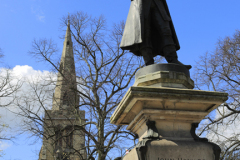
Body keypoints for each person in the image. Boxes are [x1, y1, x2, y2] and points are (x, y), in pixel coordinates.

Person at [120, 0, 190, 68]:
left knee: (166, 30)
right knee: (144, 33)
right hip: (141, 3)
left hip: (157, 2)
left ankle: (173, 60)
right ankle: (149, 63)